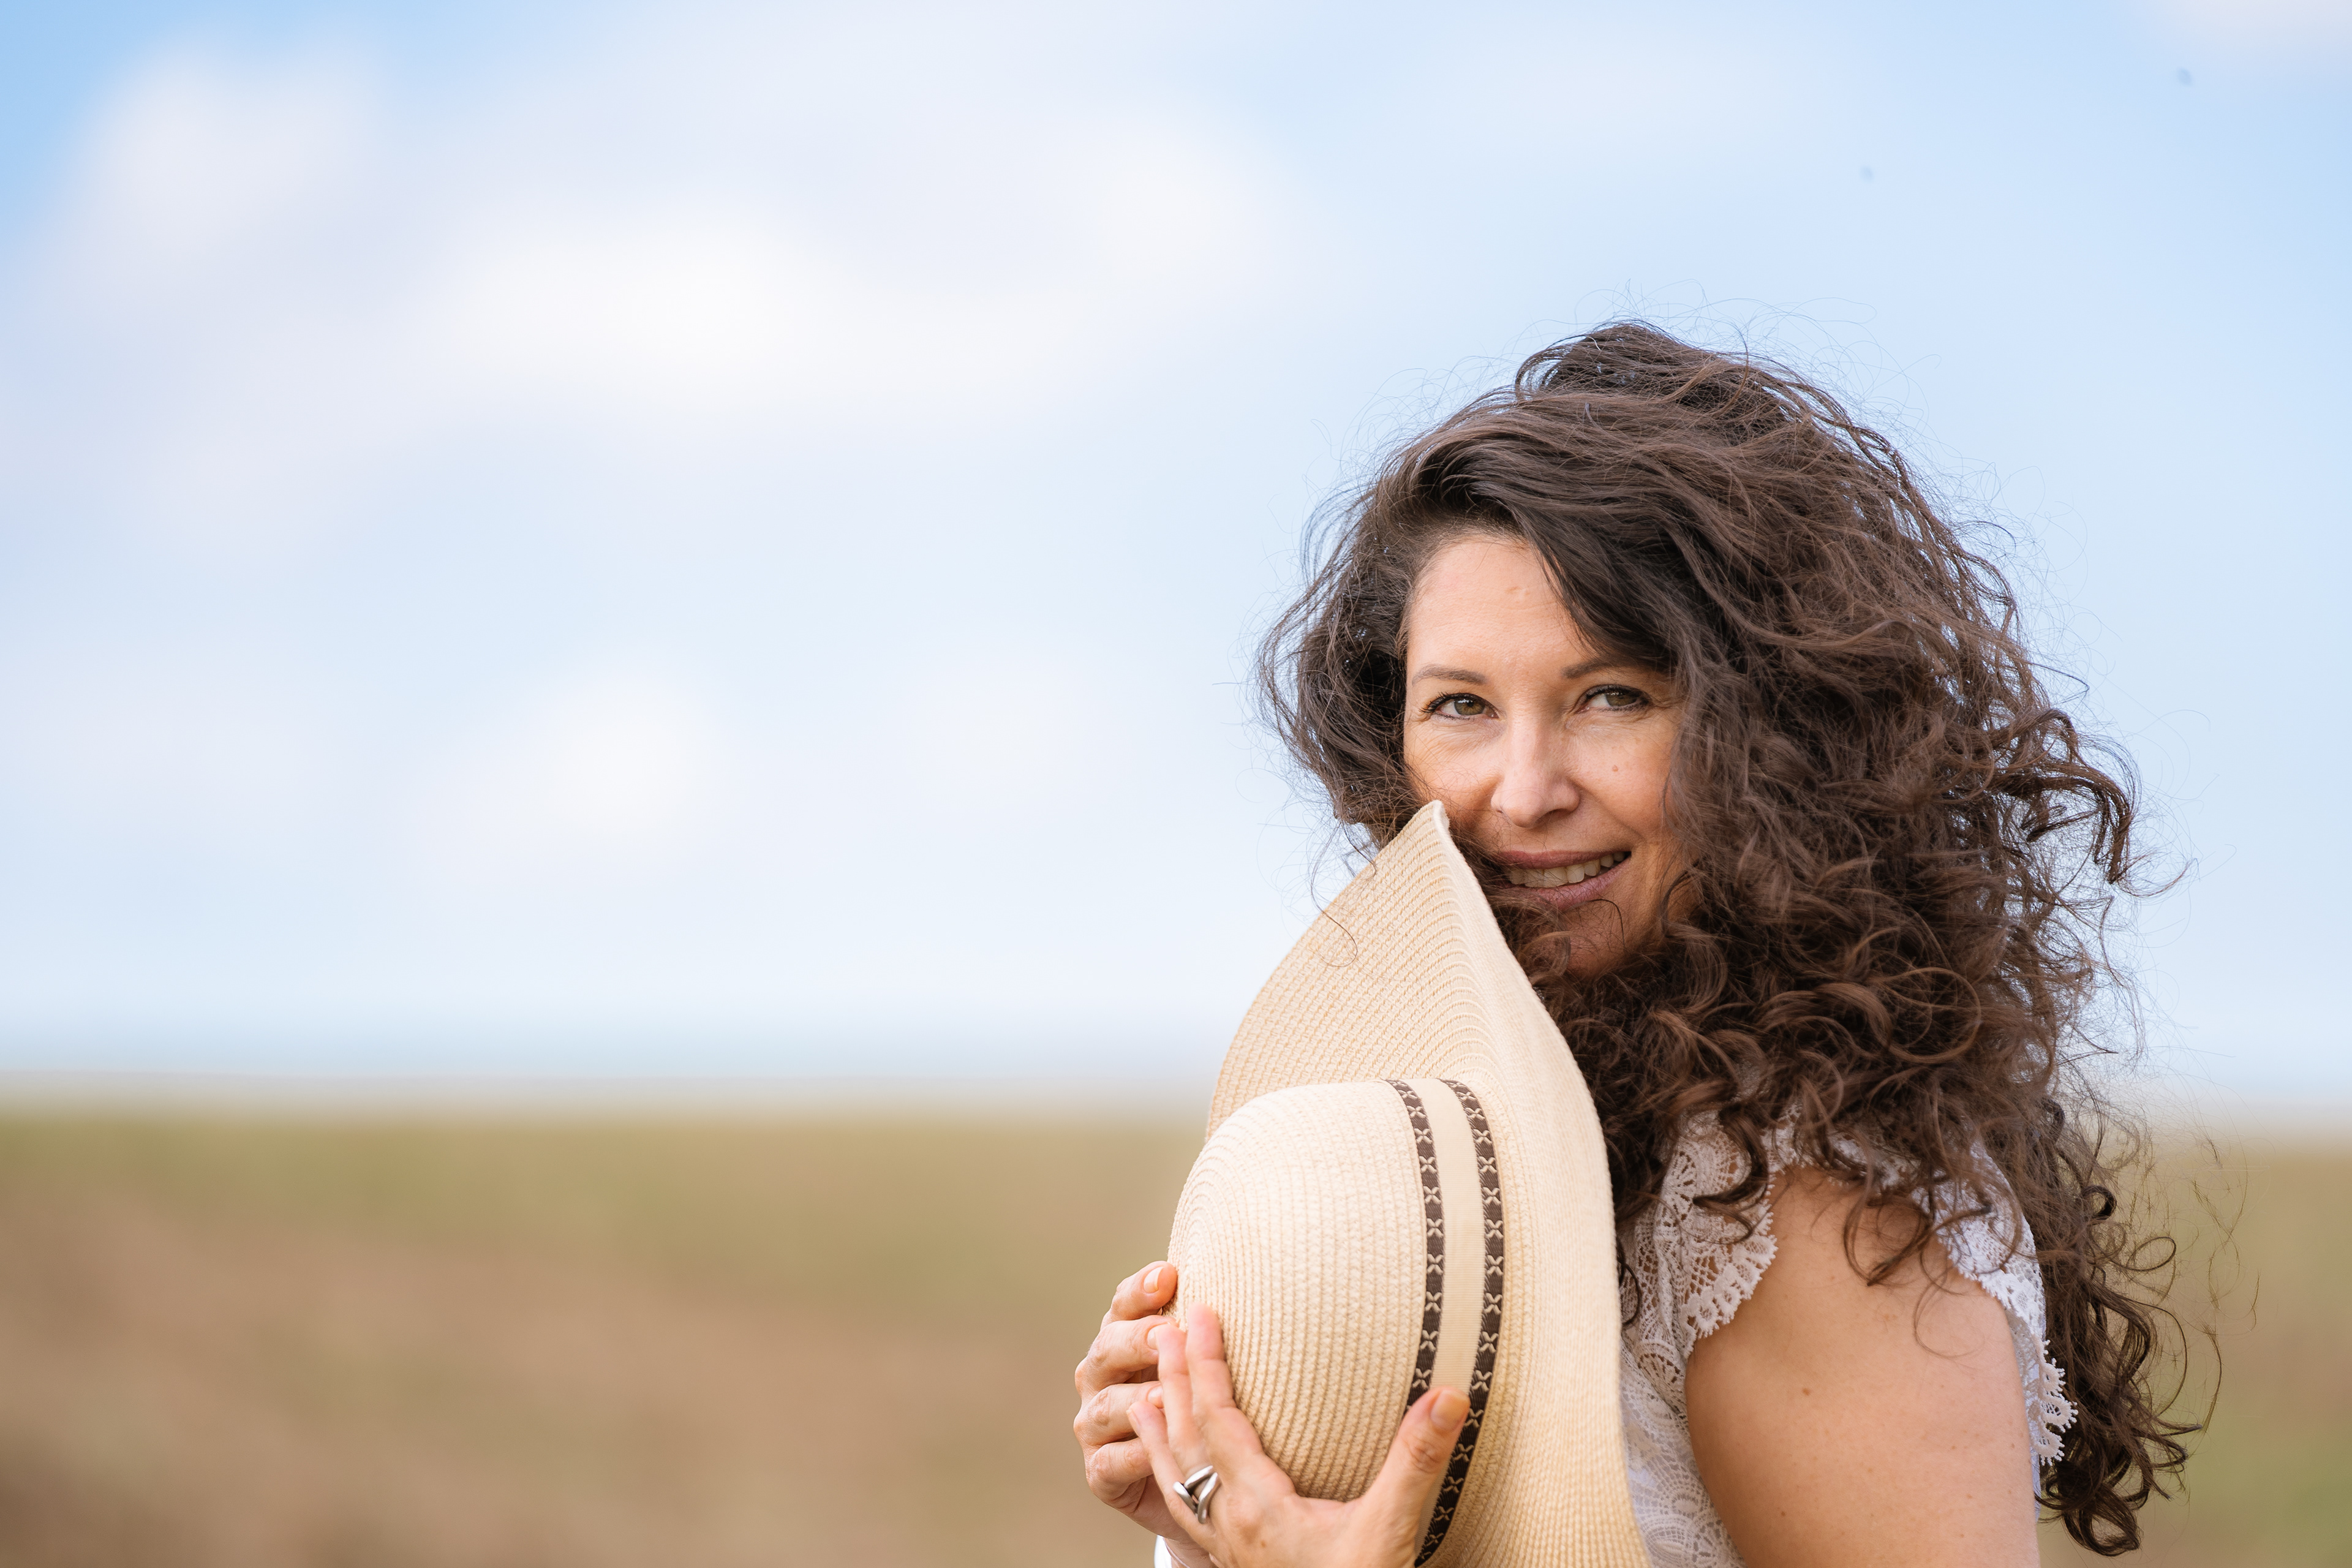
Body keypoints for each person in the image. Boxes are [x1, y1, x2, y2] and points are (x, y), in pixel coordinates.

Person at [1071, 323, 2190, 1567]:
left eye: (1611, 696)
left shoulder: (1802, 1212)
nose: (1523, 789)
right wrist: (1218, 1481)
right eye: (1460, 705)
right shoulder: (1498, 1128)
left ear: (1770, 731)